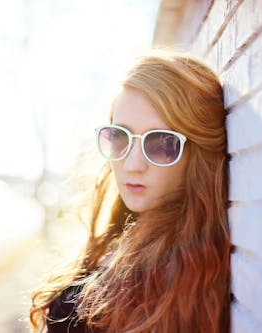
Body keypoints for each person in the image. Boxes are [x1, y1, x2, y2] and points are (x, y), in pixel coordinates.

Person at [30, 49, 231, 333]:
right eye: (119, 136)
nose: (132, 164)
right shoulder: (123, 233)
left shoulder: (182, 276)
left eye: (161, 143)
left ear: (197, 155)